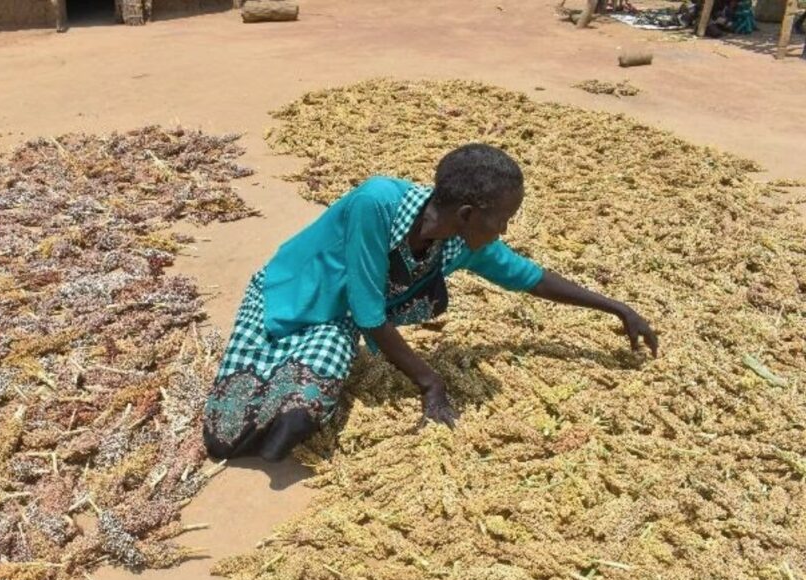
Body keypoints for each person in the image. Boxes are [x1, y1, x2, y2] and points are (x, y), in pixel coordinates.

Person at [202, 144, 658, 462]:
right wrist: (429, 382)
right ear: (467, 215)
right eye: (504, 218)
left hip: (335, 320)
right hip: (286, 296)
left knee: (304, 408)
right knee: (226, 434)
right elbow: (368, 314)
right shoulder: (377, 204)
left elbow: (531, 278)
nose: (504, 231)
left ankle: (290, 397)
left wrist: (618, 308)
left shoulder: (462, 243)